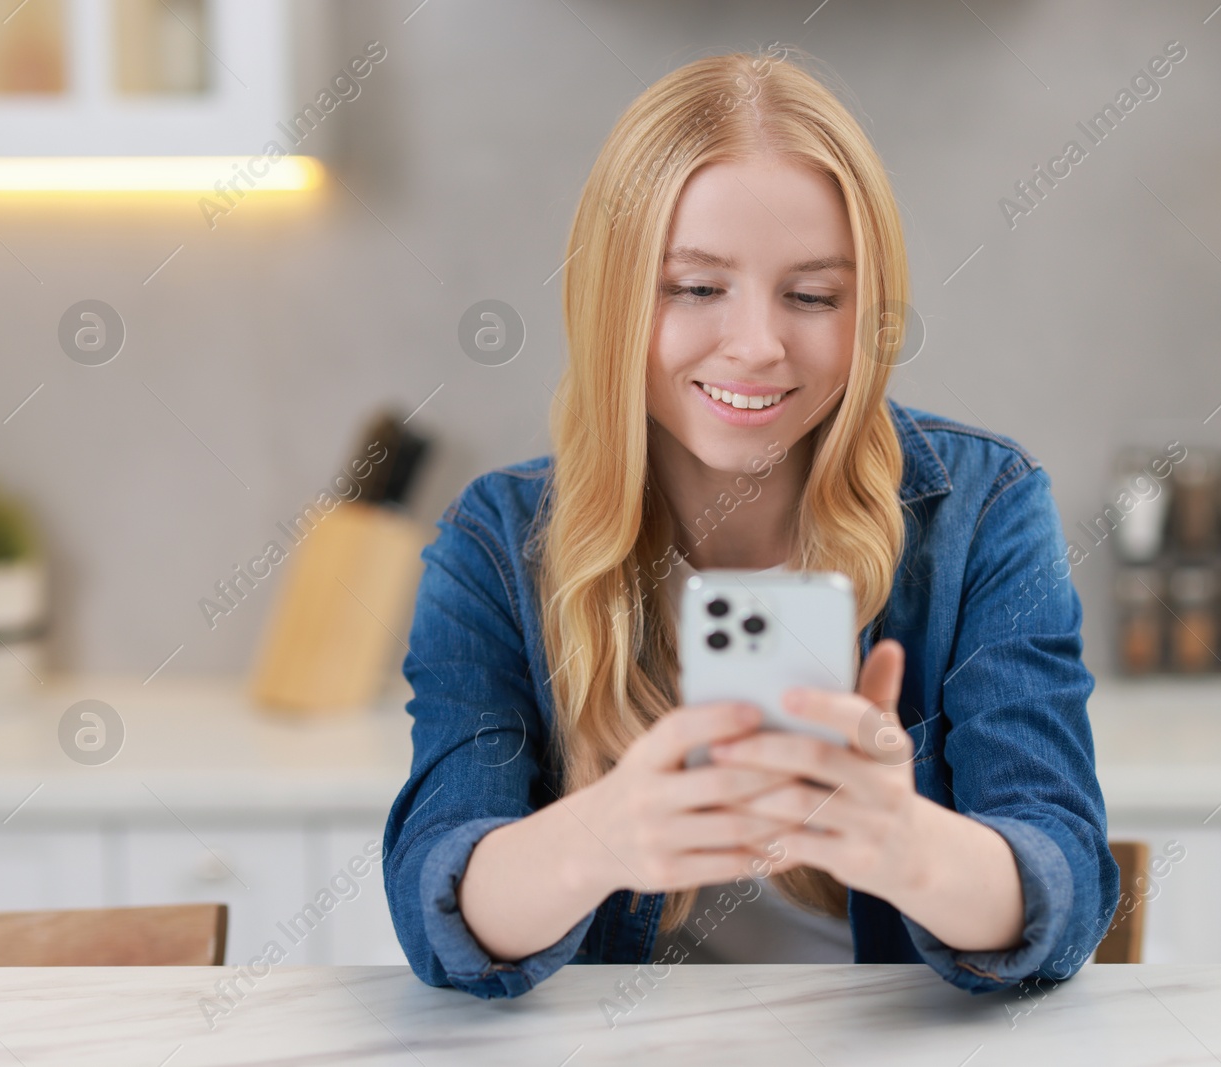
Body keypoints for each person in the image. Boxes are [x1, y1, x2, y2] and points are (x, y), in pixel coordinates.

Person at [382, 45, 1118, 1000]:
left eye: (814, 297)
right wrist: (604, 834)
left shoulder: (983, 508)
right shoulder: (498, 538)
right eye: (695, 288)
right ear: (612, 298)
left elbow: (1061, 883)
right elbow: (438, 908)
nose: (760, 346)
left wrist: (909, 847)